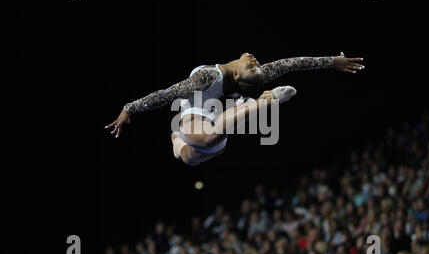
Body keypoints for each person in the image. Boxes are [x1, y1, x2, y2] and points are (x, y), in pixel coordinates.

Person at [106, 52, 364, 165]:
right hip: (195, 122)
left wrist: (332, 62)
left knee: (194, 154)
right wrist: (130, 109)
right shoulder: (207, 76)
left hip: (217, 124)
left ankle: (177, 143)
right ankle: (266, 101)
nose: (255, 62)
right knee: (198, 146)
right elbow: (169, 94)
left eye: (254, 67)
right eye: (256, 65)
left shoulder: (222, 78)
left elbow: (295, 64)